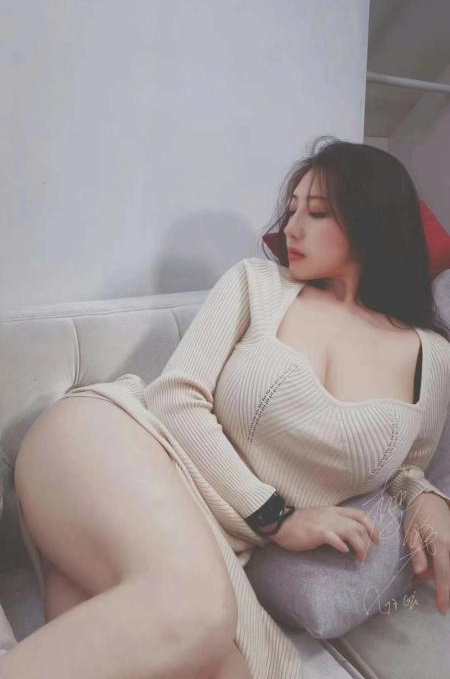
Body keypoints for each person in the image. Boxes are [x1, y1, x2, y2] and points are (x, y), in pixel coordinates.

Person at [6, 137, 450, 679]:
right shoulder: (257, 283)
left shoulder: (432, 357)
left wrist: (428, 498)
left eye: (316, 213)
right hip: (116, 441)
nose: (291, 228)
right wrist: (277, 518)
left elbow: (406, 463)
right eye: (291, 210)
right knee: (198, 613)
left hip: (205, 544)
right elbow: (175, 398)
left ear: (372, 223)